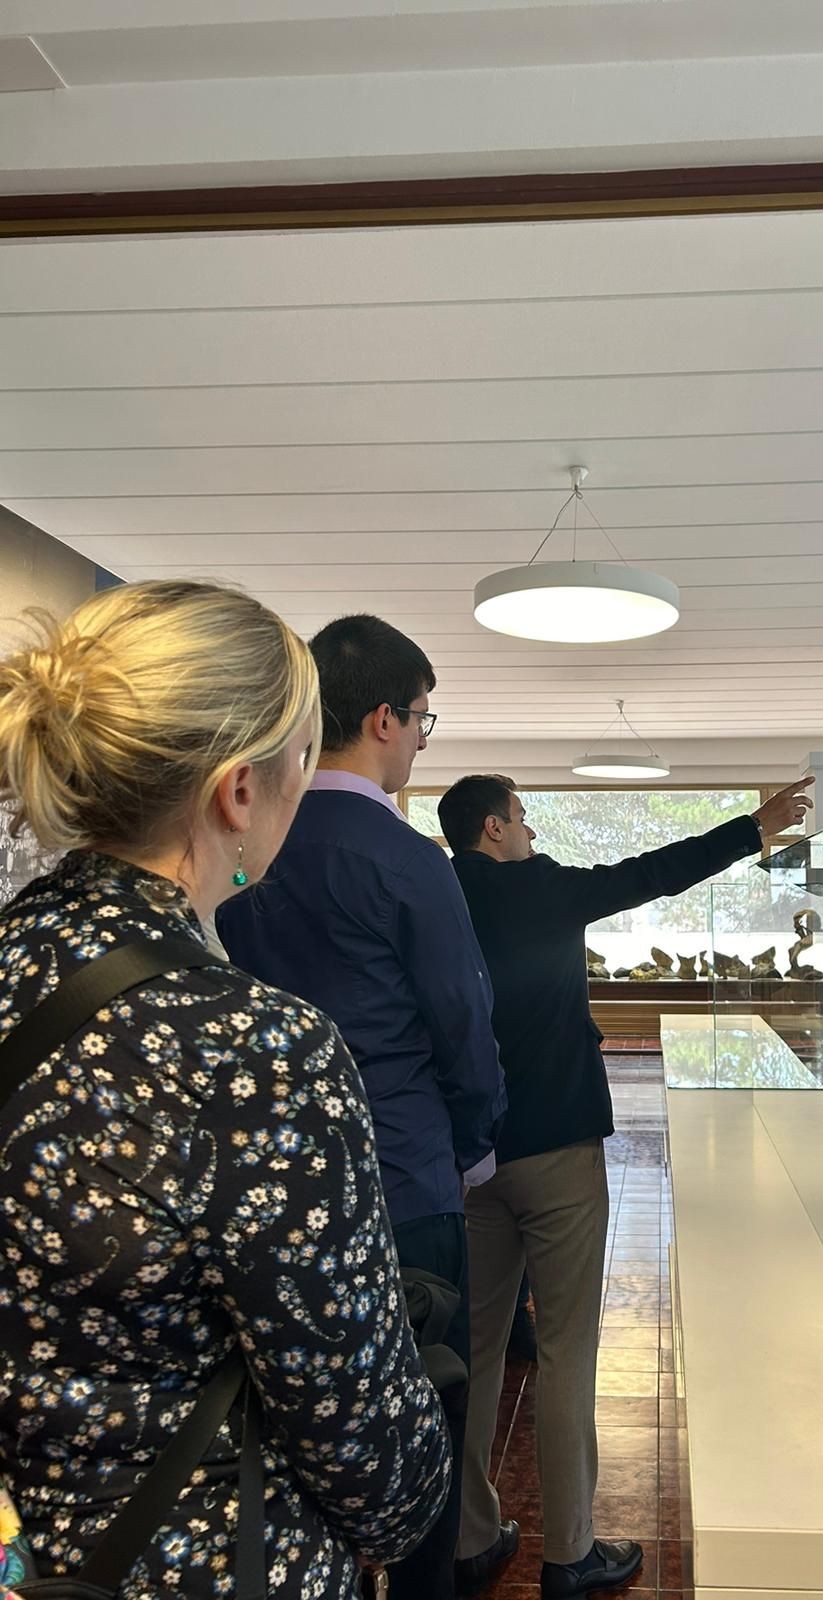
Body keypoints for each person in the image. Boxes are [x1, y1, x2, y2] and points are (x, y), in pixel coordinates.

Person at [0, 581, 450, 1599]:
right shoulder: (257, 1050)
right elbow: (371, 1457)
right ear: (239, 792)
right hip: (204, 1560)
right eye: (301, 761)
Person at [438, 774, 813, 1599]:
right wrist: (754, 826)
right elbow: (653, 871)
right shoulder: (540, 889)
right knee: (569, 1348)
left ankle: (469, 1539)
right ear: (495, 827)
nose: (532, 831)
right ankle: (568, 1553)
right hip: (559, 1148)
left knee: (475, 1347)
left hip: (465, 1156)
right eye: (525, 818)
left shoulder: (434, 892)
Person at [218, 614, 509, 1600]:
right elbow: (465, 1027)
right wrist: (470, 1142)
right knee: (424, 1428)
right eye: (425, 718)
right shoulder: (408, 858)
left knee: (289, 1429)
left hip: (259, 1195)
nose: (424, 738)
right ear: (385, 717)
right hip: (402, 1179)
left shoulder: (242, 838)